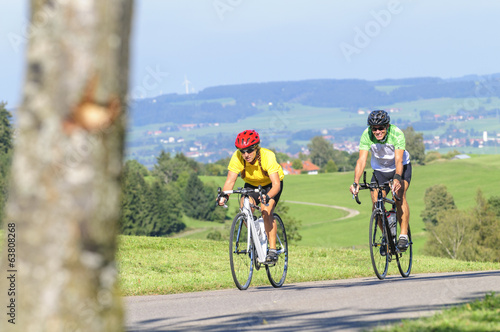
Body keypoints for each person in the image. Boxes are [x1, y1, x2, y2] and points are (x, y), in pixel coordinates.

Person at [349, 110, 412, 252]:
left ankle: (403, 235)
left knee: (399, 195)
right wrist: (356, 182)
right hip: (380, 171)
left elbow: (398, 160)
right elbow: (361, 160)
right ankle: (386, 236)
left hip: (400, 167)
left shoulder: (396, 133)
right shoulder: (367, 135)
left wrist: (397, 178)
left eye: (381, 128)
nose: (377, 131)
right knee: (377, 203)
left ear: (387, 126)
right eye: (374, 129)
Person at [218, 129, 285, 263]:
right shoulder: (237, 157)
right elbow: (230, 180)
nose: (246, 154)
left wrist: (268, 196)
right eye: (242, 151)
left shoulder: (267, 156)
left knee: (266, 211)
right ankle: (256, 235)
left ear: (256, 148)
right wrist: (224, 196)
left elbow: (276, 184)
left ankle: (272, 251)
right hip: (251, 184)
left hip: (270, 186)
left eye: (249, 150)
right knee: (245, 208)